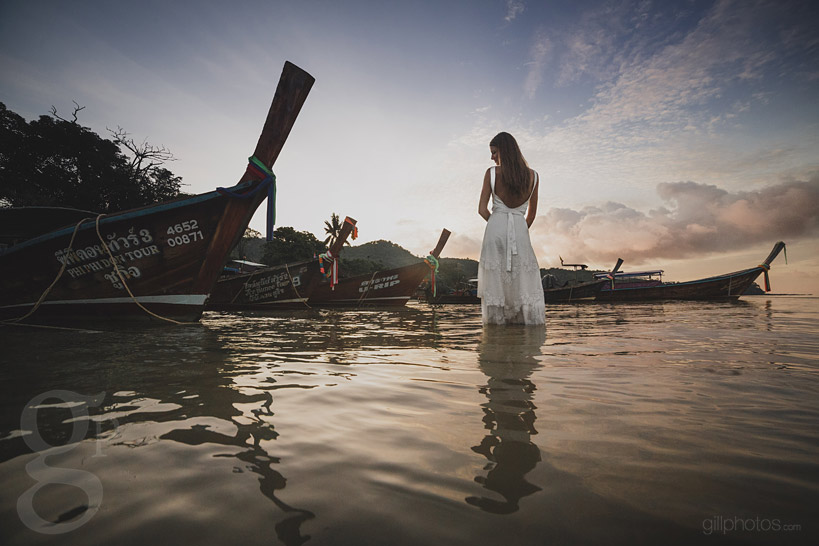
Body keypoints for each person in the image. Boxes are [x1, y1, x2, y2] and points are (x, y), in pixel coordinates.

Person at [477, 132, 545, 325]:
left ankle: (496, 328)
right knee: (522, 277)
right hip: (520, 231)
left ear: (504, 151)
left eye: (494, 152)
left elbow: (482, 210)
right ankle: (523, 326)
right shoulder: (534, 176)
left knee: (496, 280)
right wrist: (517, 231)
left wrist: (497, 225)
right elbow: (531, 214)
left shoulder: (492, 173)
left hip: (495, 229)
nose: (492, 157)